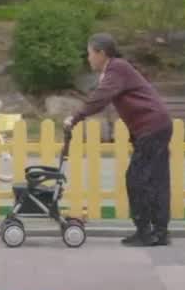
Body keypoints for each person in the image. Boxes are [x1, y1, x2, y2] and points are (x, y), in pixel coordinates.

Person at [65, 33, 173, 247]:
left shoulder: (117, 68)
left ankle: (146, 232)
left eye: (90, 53)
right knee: (155, 180)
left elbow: (101, 97)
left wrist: (75, 117)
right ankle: (159, 232)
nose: (88, 58)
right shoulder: (117, 69)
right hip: (156, 126)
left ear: (101, 53)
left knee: (137, 180)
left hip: (152, 128)